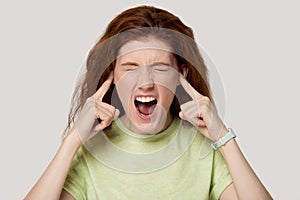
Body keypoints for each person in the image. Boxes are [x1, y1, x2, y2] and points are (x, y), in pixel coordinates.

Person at [25, 5, 272, 200]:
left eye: (161, 67)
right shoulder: (91, 151)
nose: (145, 82)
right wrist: (72, 140)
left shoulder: (204, 148)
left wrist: (223, 137)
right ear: (113, 77)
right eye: (130, 67)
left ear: (180, 75)